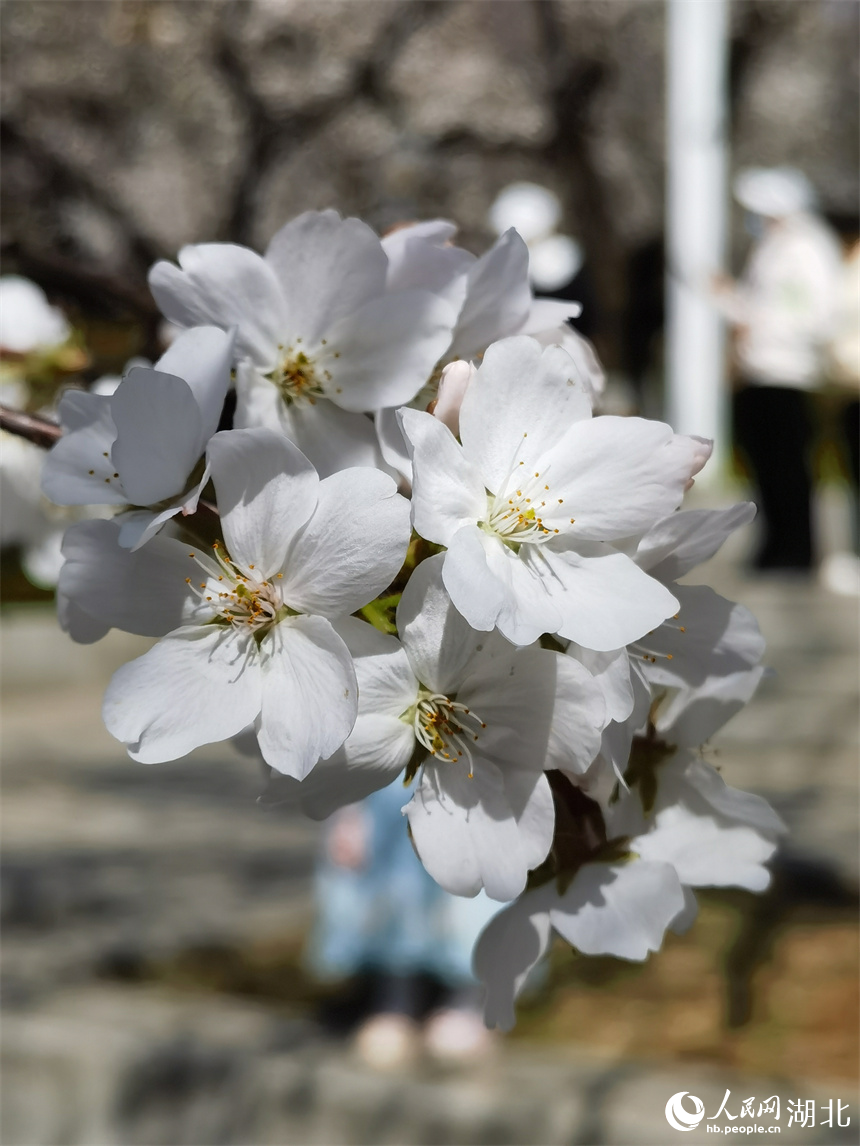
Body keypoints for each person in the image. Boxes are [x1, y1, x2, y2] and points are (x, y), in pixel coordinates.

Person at [309, 779, 499, 1069]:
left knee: (472, 884)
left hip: (475, 789)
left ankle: (466, 1000)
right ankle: (395, 997)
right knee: (391, 886)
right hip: (391, 791)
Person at [714, 167, 842, 572]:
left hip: (789, 371)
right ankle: (773, 546)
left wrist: (757, 322)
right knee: (763, 464)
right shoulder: (773, 246)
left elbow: (812, 313)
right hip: (758, 369)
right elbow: (761, 304)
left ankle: (797, 550)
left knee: (788, 464)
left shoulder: (807, 247)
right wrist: (731, 302)